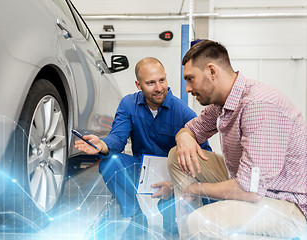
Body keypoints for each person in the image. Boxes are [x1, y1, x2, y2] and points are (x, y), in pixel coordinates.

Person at [167, 39, 307, 239]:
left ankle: (199, 226)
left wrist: (196, 189)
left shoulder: (258, 105)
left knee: (201, 221)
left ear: (212, 72)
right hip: (250, 184)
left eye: (190, 79)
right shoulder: (224, 102)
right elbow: (191, 129)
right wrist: (185, 138)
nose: (187, 88)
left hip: (286, 205)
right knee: (176, 156)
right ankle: (188, 234)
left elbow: (250, 191)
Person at [74, 57, 211, 238]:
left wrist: (176, 184)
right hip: (141, 170)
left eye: (162, 80)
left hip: (172, 176)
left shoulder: (182, 111)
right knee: (111, 163)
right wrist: (103, 145)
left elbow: (205, 153)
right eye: (151, 83)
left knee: (172, 229)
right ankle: (136, 216)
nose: (159, 88)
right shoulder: (128, 105)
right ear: (139, 85)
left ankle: (171, 218)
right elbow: (118, 137)